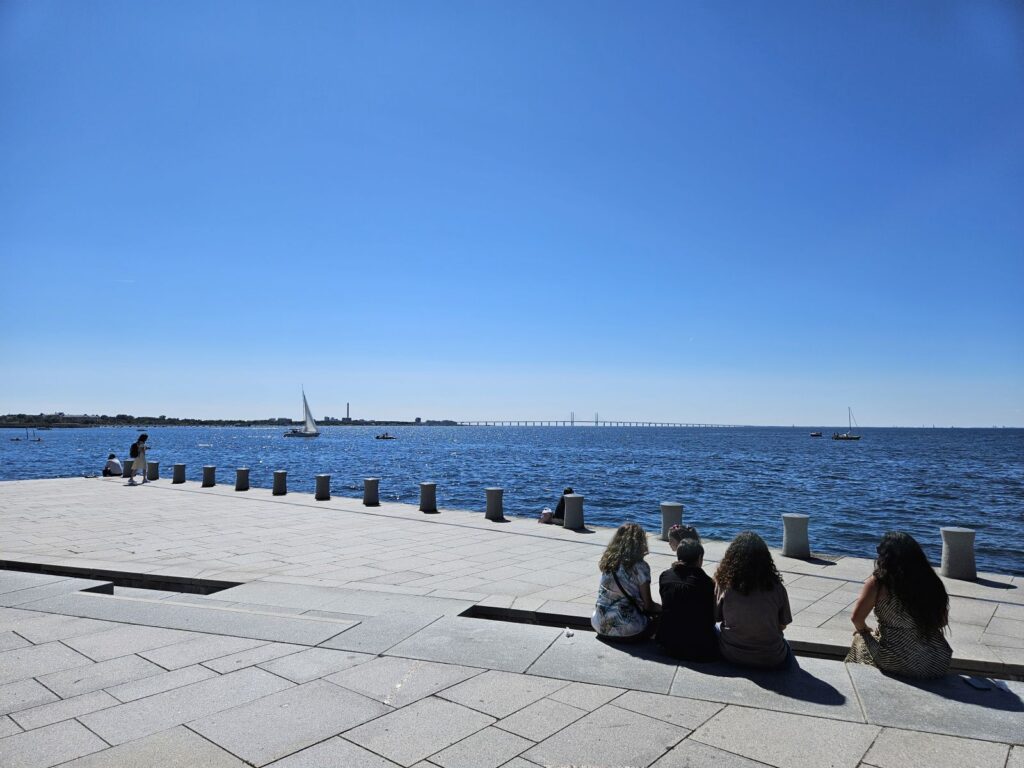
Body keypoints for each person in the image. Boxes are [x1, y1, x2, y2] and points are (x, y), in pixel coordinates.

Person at [845, 531, 952, 678]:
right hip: (936, 660)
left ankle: (858, 678)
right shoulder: (933, 582)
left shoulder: (879, 583)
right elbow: (942, 621)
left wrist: (865, 630)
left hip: (894, 660)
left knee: (860, 638)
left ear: (886, 557)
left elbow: (856, 619)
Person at [715, 531, 793, 668]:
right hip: (771, 657)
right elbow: (783, 624)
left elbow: (716, 617)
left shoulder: (725, 584)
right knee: (787, 646)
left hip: (731, 653)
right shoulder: (776, 587)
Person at [592, 522, 660, 641]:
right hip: (627, 629)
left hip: (599, 624)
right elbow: (648, 605)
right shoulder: (640, 567)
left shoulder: (608, 564)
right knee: (661, 618)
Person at [658, 534, 719, 661]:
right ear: (700, 558)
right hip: (699, 647)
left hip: (668, 643)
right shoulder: (707, 583)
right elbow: (713, 617)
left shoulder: (665, 576)